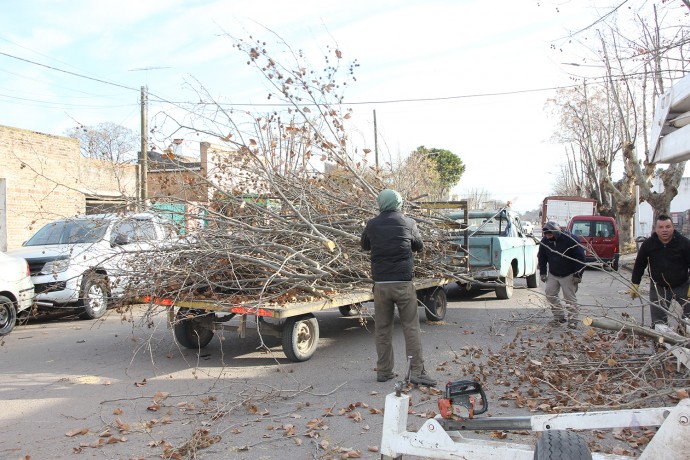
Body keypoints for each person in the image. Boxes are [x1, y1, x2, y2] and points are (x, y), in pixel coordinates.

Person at [360, 189, 436, 387]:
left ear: (381, 203)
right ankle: (416, 372)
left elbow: (365, 245)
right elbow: (419, 246)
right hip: (403, 283)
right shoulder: (408, 223)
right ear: (399, 203)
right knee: (411, 327)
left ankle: (384, 371)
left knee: (382, 329)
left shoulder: (372, 224)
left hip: (381, 285)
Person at [630, 214, 690, 327]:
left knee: (689, 317)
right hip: (659, 288)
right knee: (659, 323)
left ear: (673, 228)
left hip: (682, 286)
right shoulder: (648, 245)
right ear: (655, 229)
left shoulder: (684, 243)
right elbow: (639, 265)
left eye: (668, 227)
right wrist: (635, 283)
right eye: (661, 227)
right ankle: (661, 342)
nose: (664, 230)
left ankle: (685, 336)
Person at [537, 221, 587, 327]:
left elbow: (581, 257)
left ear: (556, 232)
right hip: (553, 273)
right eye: (546, 235)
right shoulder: (545, 241)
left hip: (569, 274)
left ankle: (573, 321)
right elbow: (542, 257)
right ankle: (559, 317)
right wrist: (542, 272)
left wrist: (578, 274)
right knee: (550, 294)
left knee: (570, 299)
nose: (548, 237)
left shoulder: (570, 239)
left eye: (550, 234)